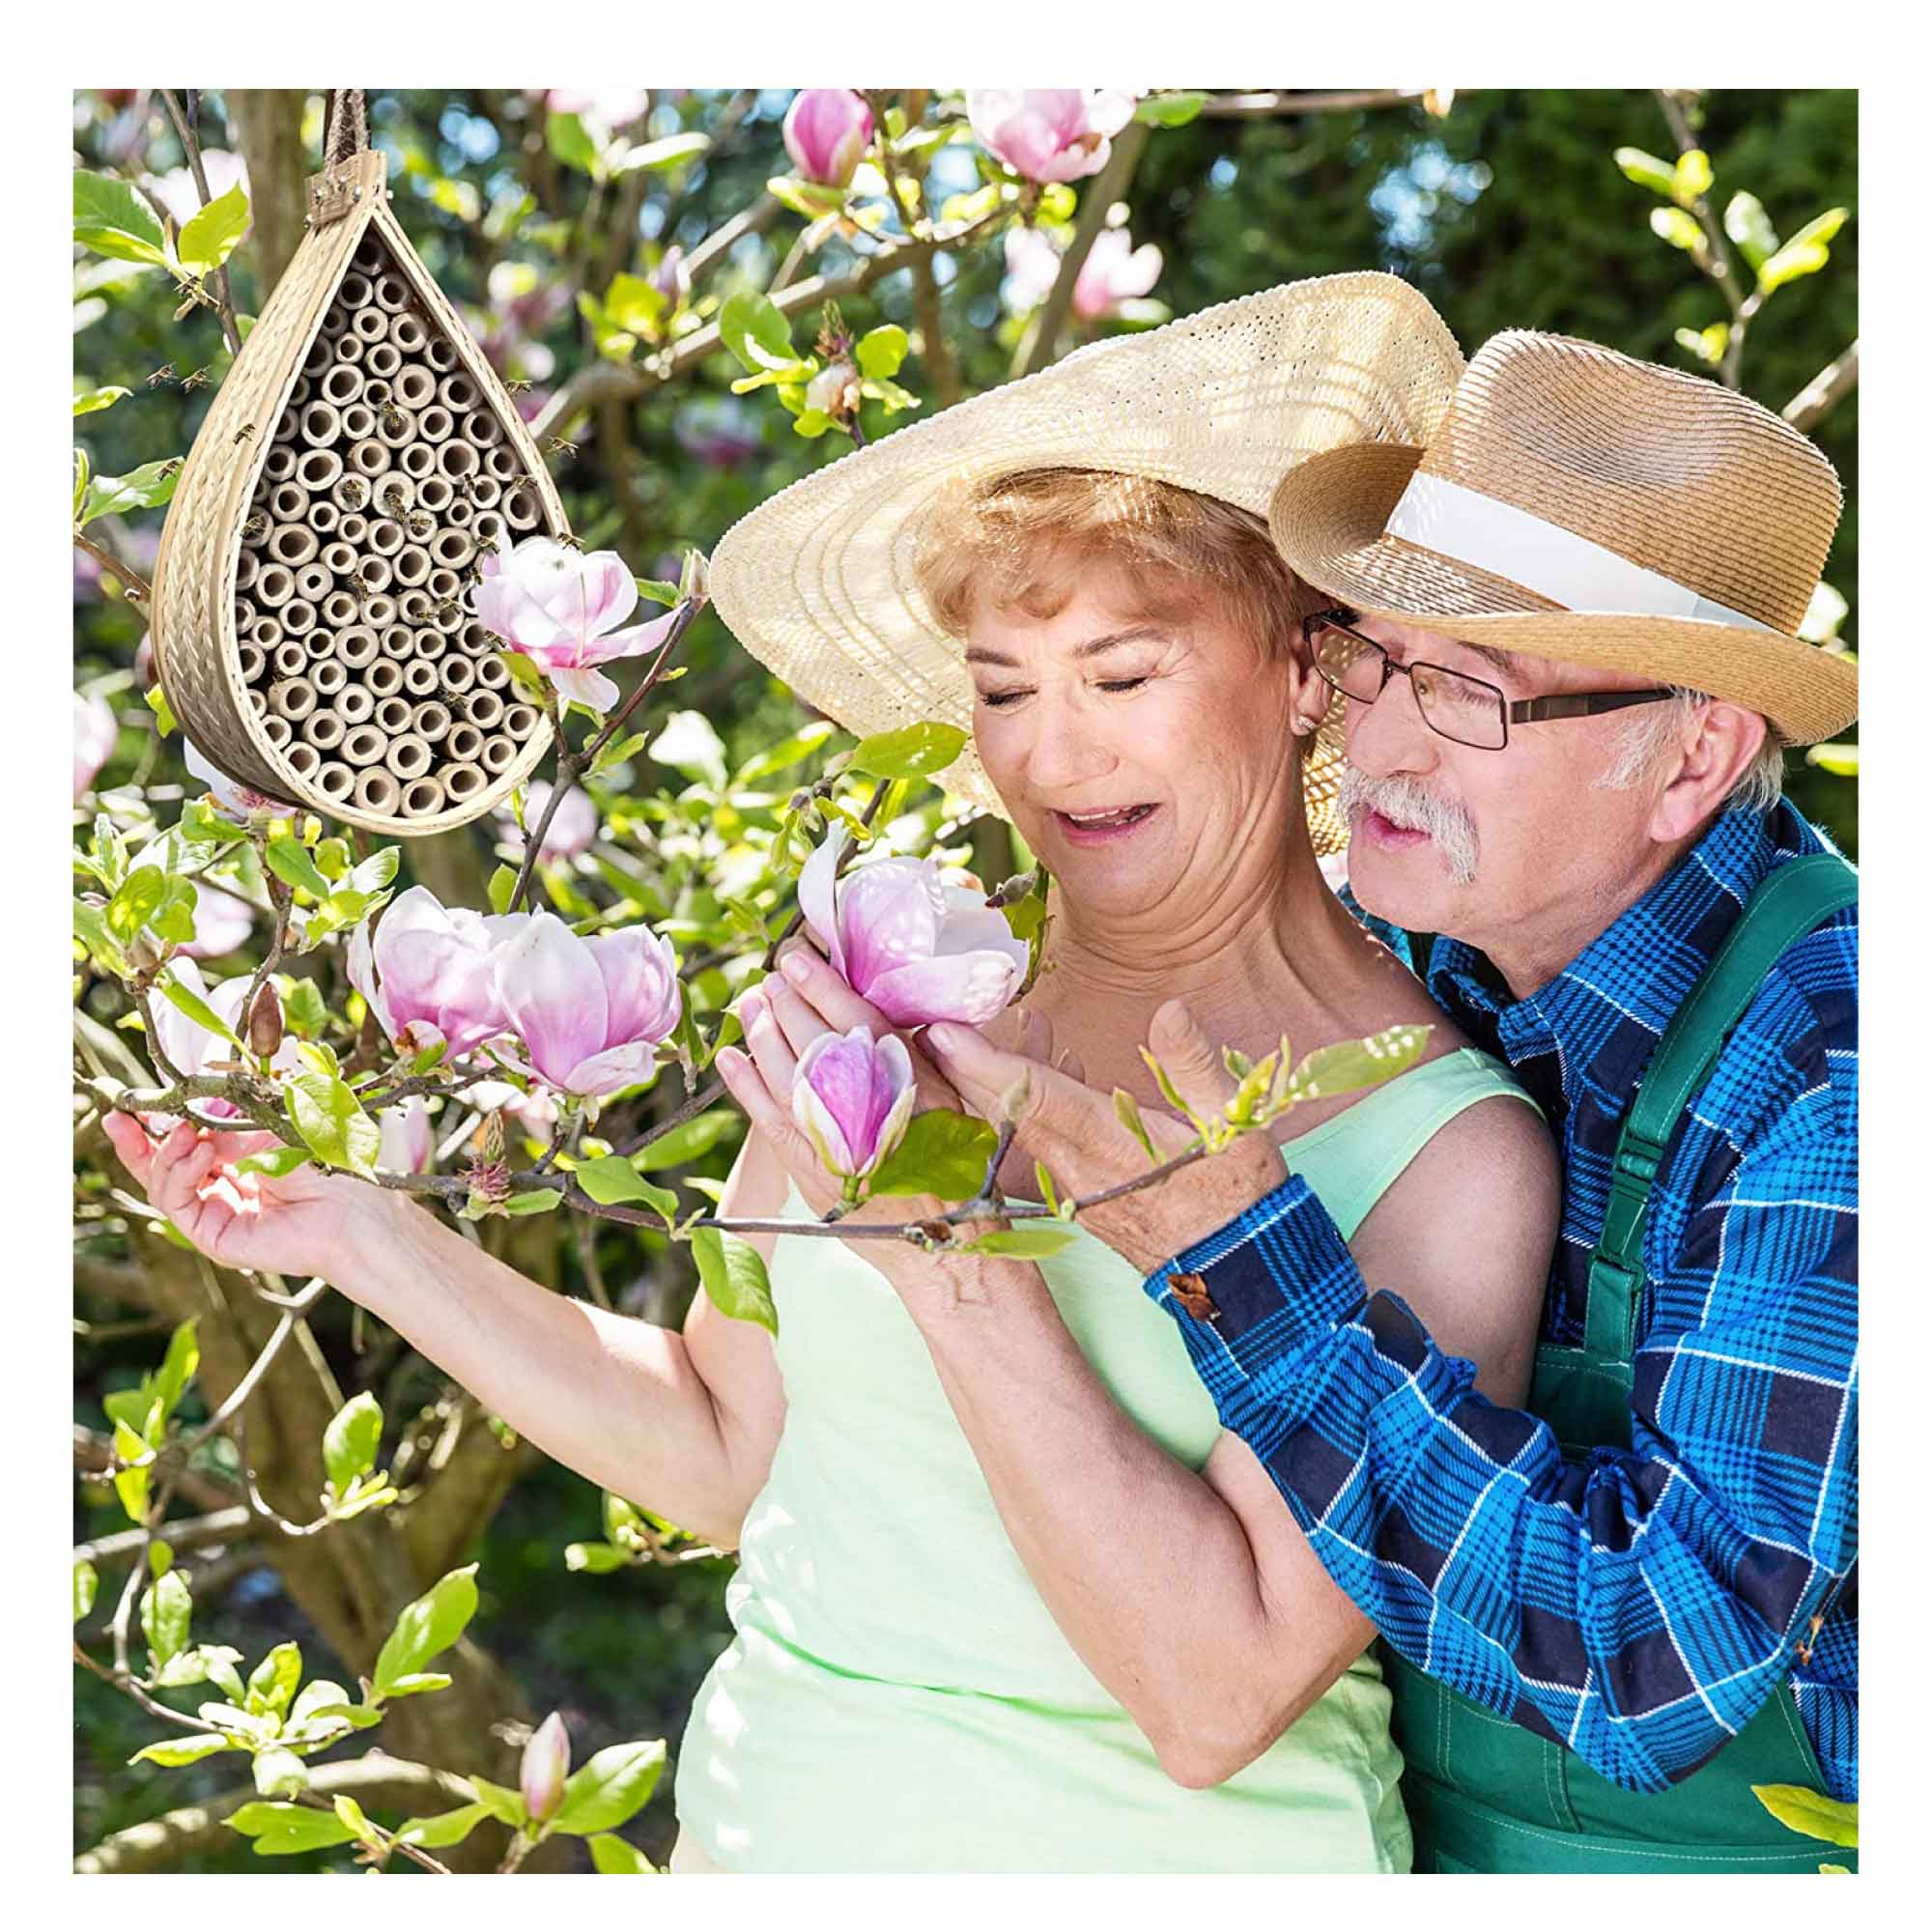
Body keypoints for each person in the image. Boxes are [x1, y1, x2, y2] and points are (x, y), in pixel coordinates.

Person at [106, 275, 1559, 1874]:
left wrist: (948, 1259)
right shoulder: (902, 1006)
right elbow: (734, 1446)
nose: (1048, 757)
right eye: (1003, 687)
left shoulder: (1445, 1156)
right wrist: (360, 1232)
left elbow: (1215, 1695)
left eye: (1121, 676)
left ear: (1303, 672)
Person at [920, 328, 1859, 1874]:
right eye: (1374, 659)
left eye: (1474, 696)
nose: (1383, 743)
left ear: (1694, 754)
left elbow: (1657, 1660)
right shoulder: (1419, 944)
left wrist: (1248, 1271)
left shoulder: (1833, 1066)